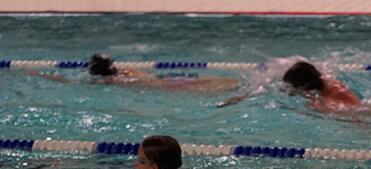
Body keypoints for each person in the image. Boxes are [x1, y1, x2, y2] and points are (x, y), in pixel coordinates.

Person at [31, 53, 240, 93]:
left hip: (160, 86)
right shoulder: (123, 71)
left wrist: (40, 75)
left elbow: (66, 81)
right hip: (163, 80)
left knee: (202, 88)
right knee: (214, 82)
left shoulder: (109, 81)